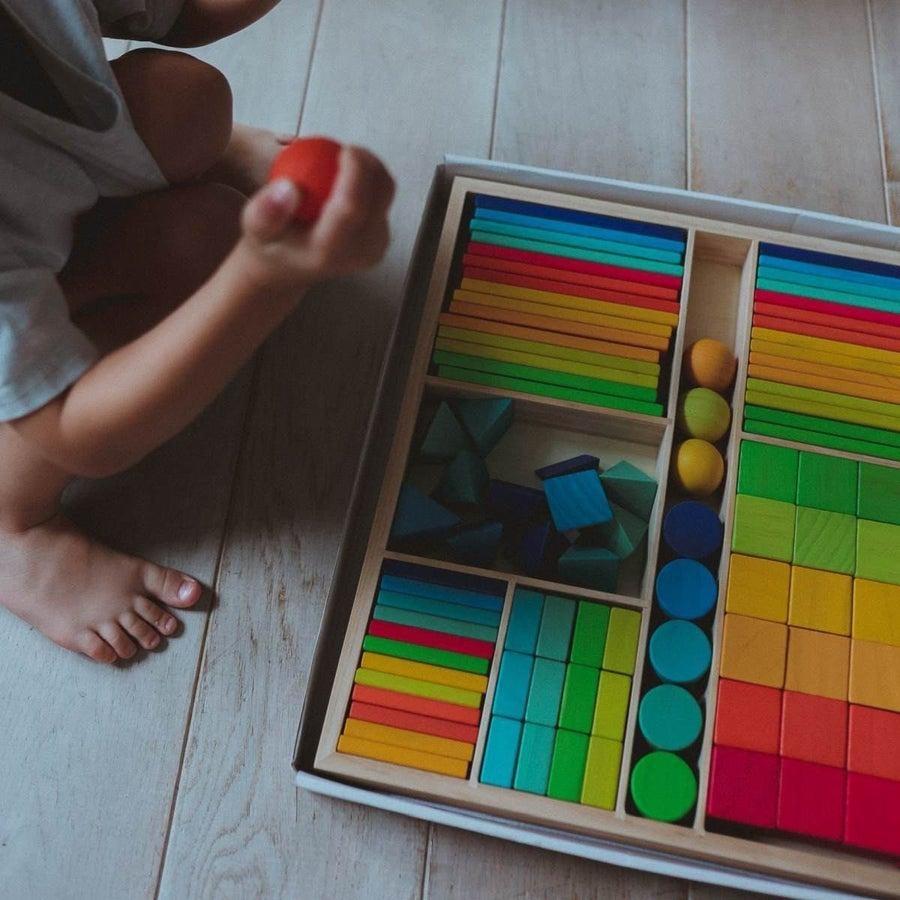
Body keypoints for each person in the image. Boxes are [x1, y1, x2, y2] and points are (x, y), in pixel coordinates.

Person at [0, 0, 394, 664]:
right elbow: (82, 430)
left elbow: (178, 13)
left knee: (188, 103)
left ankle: (106, 188)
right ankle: (17, 526)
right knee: (206, 247)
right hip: (48, 386)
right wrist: (262, 280)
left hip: (30, 180)